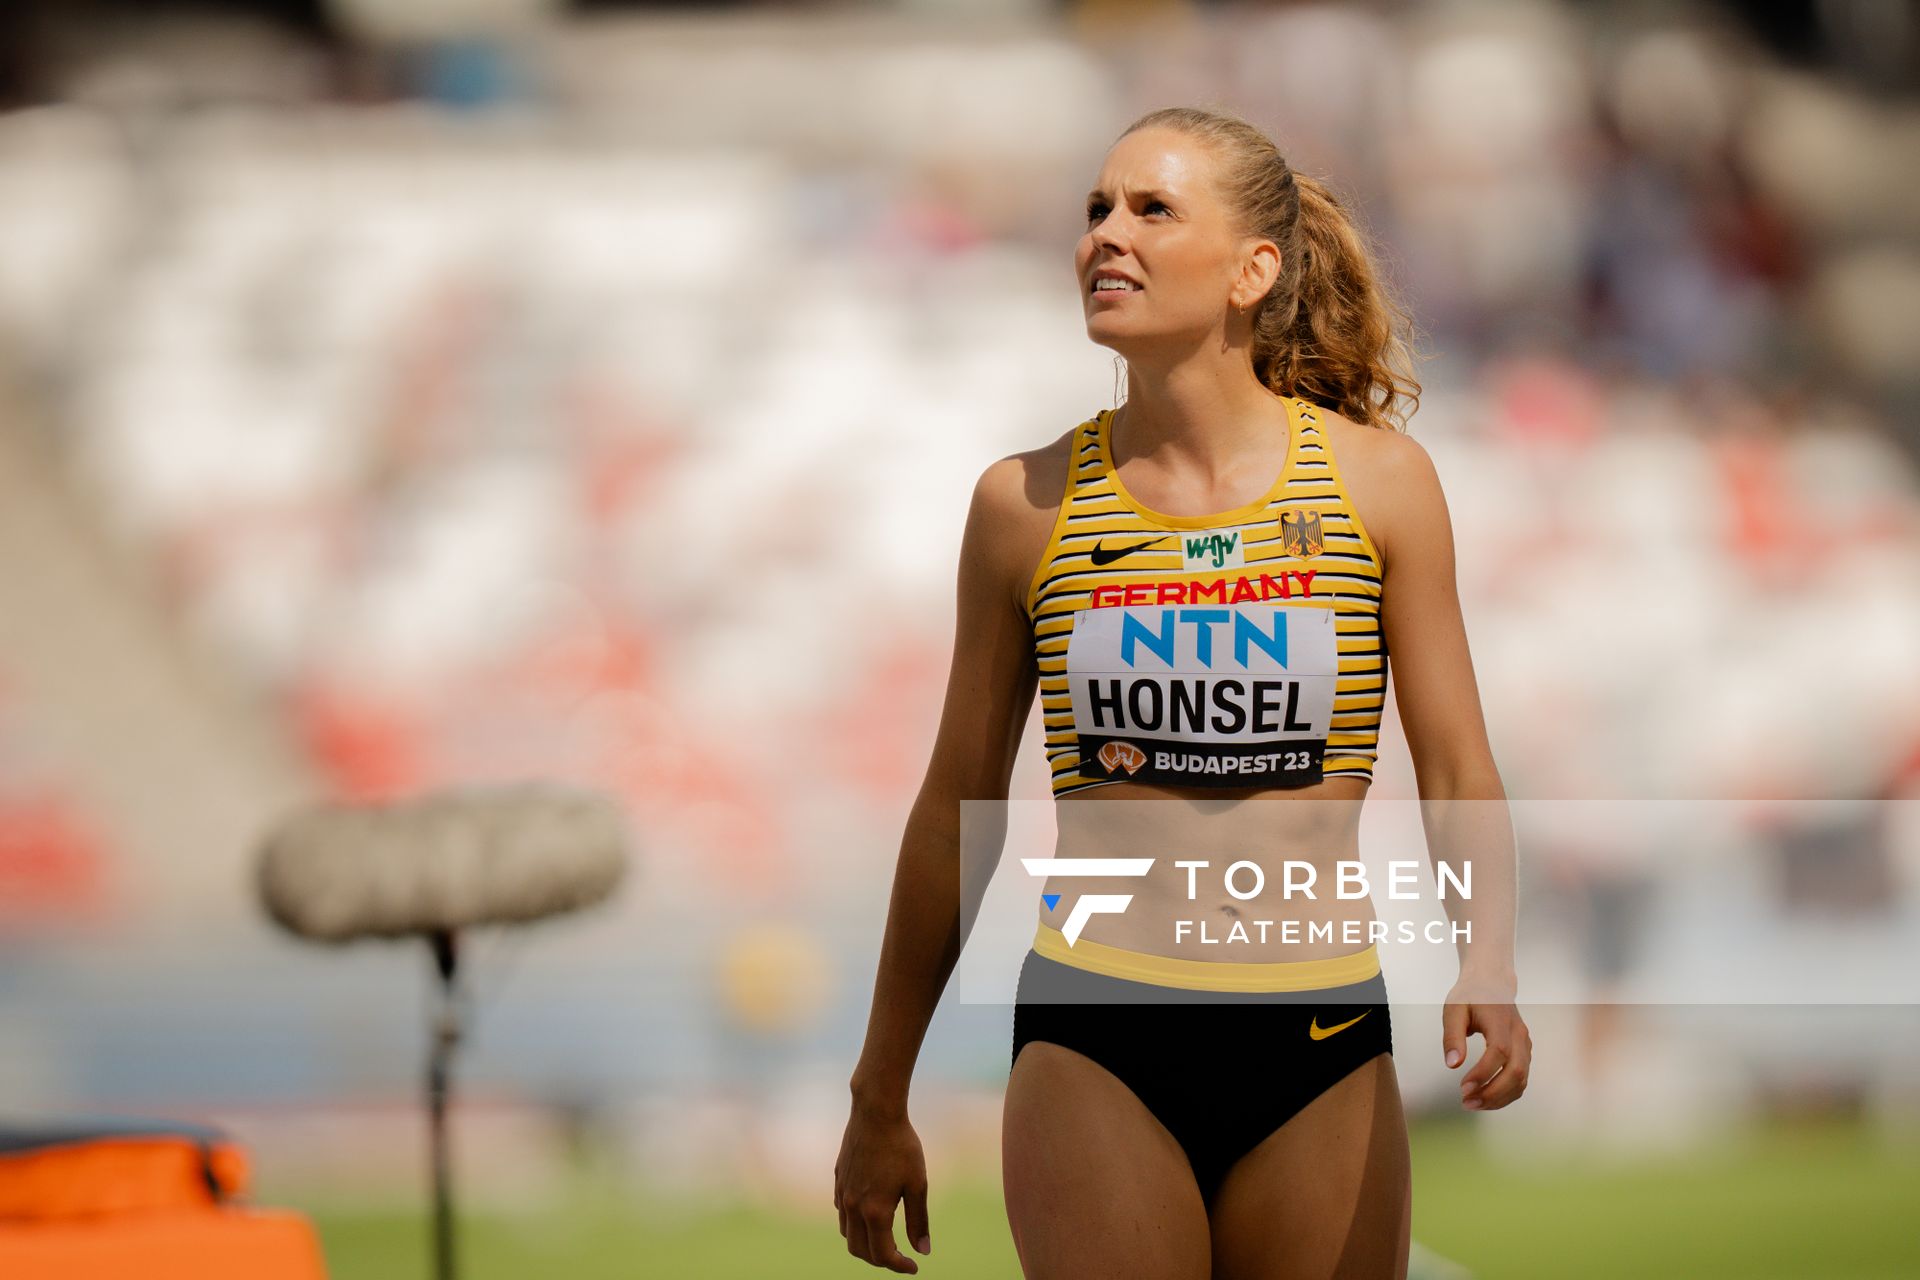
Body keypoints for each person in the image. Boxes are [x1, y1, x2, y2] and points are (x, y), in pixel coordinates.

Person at [835, 106, 1530, 1279]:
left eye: (1152, 209)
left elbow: (1461, 765)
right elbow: (960, 807)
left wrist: (1489, 961)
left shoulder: (1381, 485)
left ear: (1254, 269)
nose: (1107, 234)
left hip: (1321, 1035)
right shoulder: (1022, 505)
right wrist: (878, 1091)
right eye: (1096, 208)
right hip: (1096, 1036)